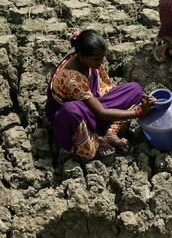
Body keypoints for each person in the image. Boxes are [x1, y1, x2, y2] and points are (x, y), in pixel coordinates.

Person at [45, 29, 155, 160]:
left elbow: (102, 91)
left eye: (103, 57)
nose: (101, 61)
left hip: (92, 104)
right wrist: (139, 112)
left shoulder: (86, 61)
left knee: (135, 90)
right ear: (80, 56)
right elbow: (101, 112)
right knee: (71, 111)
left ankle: (109, 133)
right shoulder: (72, 79)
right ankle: (94, 139)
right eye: (97, 59)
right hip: (76, 117)